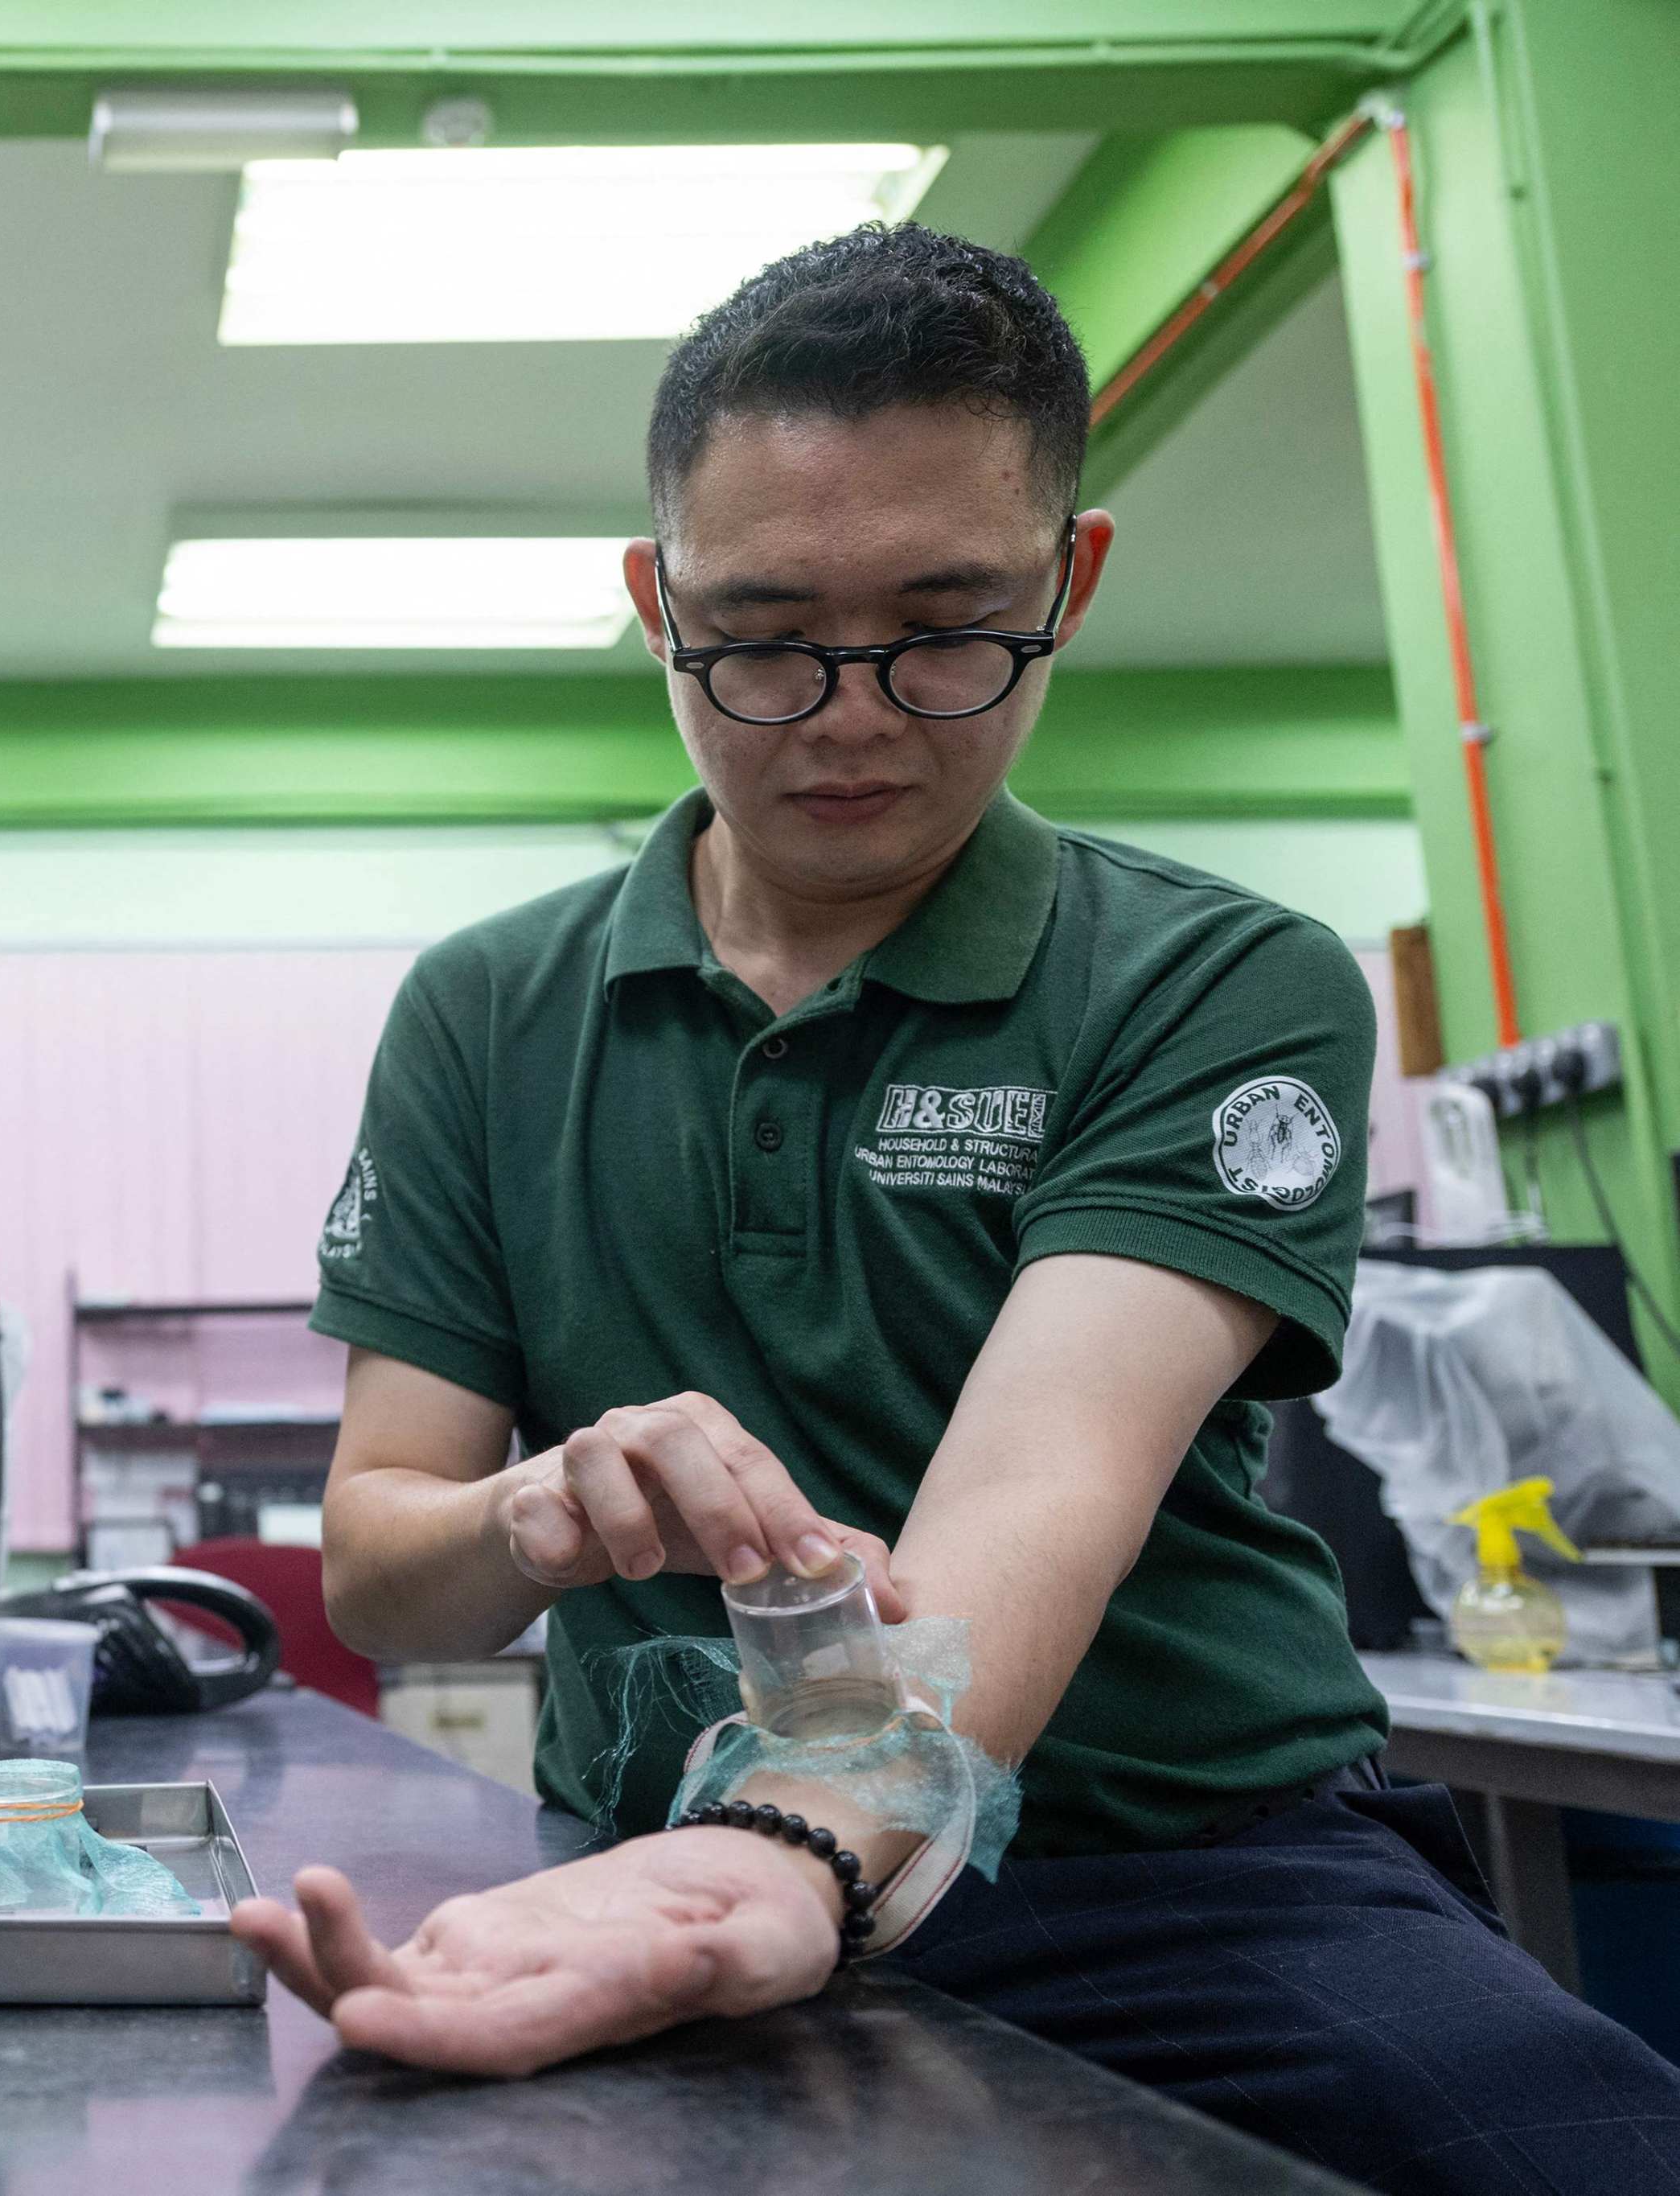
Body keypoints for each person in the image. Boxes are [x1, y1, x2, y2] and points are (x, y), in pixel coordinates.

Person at [232, 224, 1680, 2193]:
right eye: (759, 633)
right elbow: (389, 1556)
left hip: (1187, 1876)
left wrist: (798, 1839)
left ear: (1070, 581)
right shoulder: (491, 1010)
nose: (845, 715)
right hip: (655, 1875)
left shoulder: (1215, 981)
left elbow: (1043, 1481)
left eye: (943, 626)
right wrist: (531, 1512)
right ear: (655, 600)